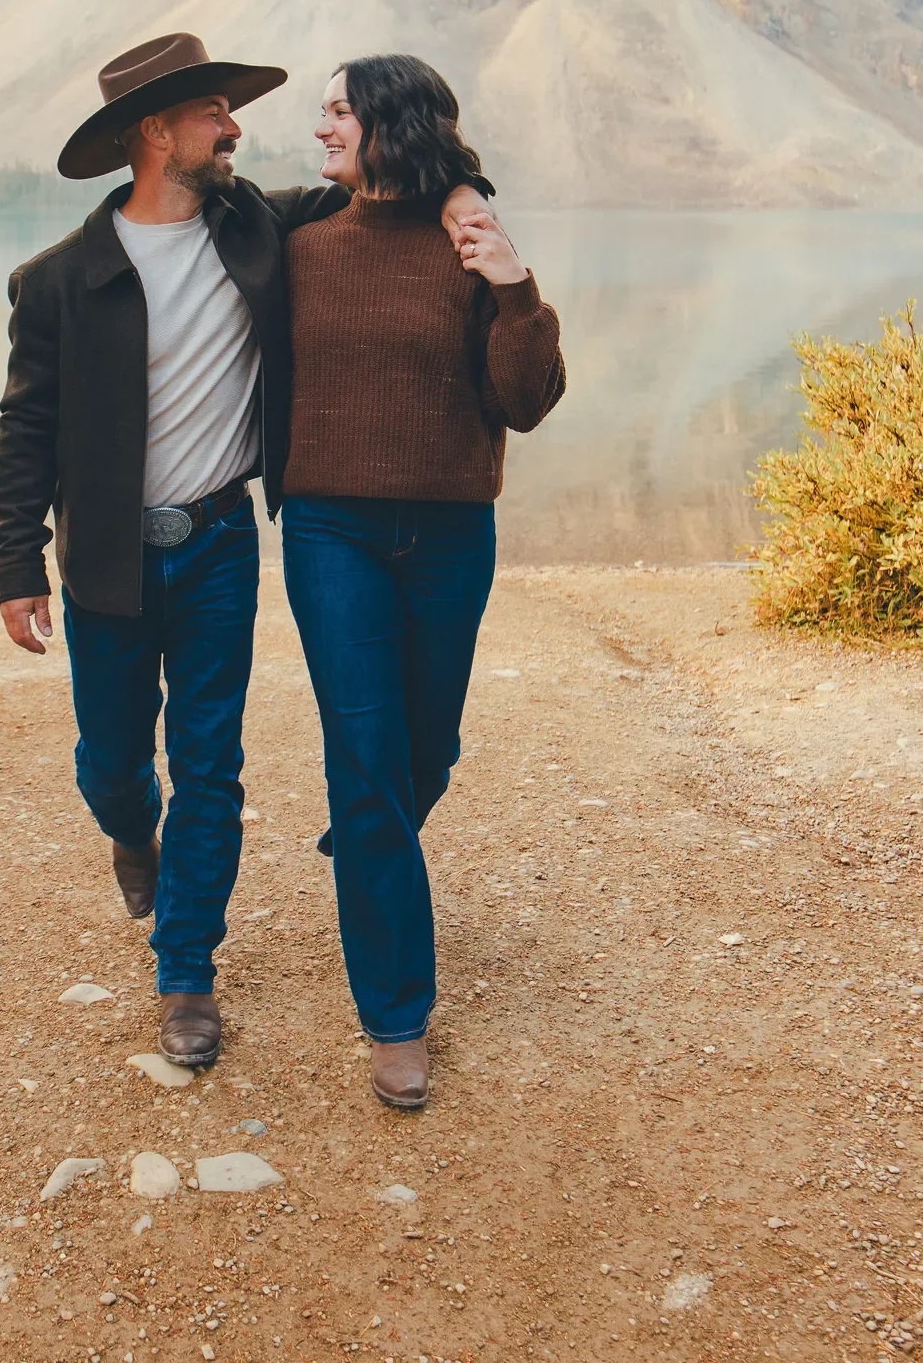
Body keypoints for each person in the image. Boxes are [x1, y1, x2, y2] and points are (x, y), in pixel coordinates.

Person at [0, 33, 489, 1068]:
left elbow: (390, 189)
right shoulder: (58, 282)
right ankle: (132, 829)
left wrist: (461, 194)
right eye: (215, 111)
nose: (237, 127)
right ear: (158, 132)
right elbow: (24, 430)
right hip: (108, 562)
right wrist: (14, 564)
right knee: (113, 765)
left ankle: (185, 974)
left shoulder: (259, 227)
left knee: (210, 766)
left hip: (219, 543)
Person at [280, 54, 566, 1109]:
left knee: (423, 750)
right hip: (328, 527)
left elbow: (525, 401)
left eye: (338, 112)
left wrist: (511, 282)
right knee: (365, 758)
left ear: (388, 122)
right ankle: (396, 1015)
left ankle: (369, 827)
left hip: (451, 529)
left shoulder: (468, 240)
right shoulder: (300, 242)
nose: (321, 130)